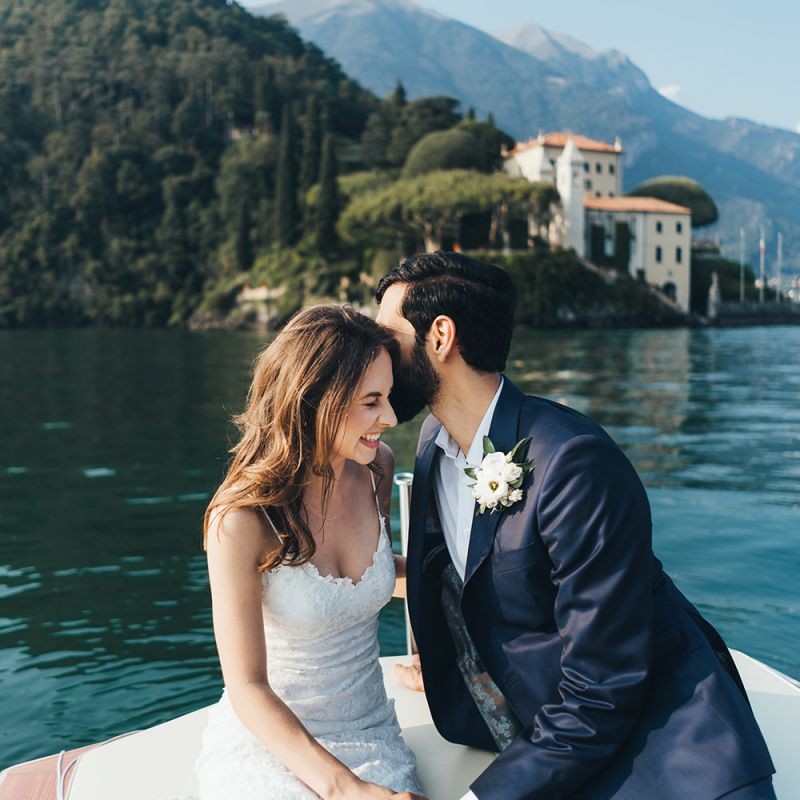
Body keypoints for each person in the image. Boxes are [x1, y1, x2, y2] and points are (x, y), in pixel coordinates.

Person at [375, 251, 776, 800]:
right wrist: (457, 665)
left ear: (440, 337)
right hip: (539, 732)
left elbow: (602, 689)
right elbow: (466, 578)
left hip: (664, 753)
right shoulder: (432, 445)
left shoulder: (574, 462)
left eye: (386, 334)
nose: (375, 351)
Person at [194, 305, 424, 800]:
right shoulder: (241, 519)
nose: (390, 418)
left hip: (371, 733)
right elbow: (247, 687)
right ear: (316, 399)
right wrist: (347, 789)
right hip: (273, 745)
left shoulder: (377, 468)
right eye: (371, 401)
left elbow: (376, 575)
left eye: (387, 398)